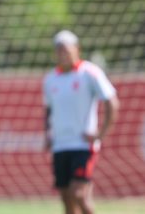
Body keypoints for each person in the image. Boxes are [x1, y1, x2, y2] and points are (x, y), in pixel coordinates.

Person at [43, 30, 120, 214]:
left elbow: (111, 101)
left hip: (83, 145)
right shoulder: (50, 79)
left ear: (77, 49)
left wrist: (100, 134)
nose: (62, 53)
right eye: (59, 49)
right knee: (67, 199)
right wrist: (47, 133)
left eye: (66, 49)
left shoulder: (90, 72)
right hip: (60, 145)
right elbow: (48, 110)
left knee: (78, 194)